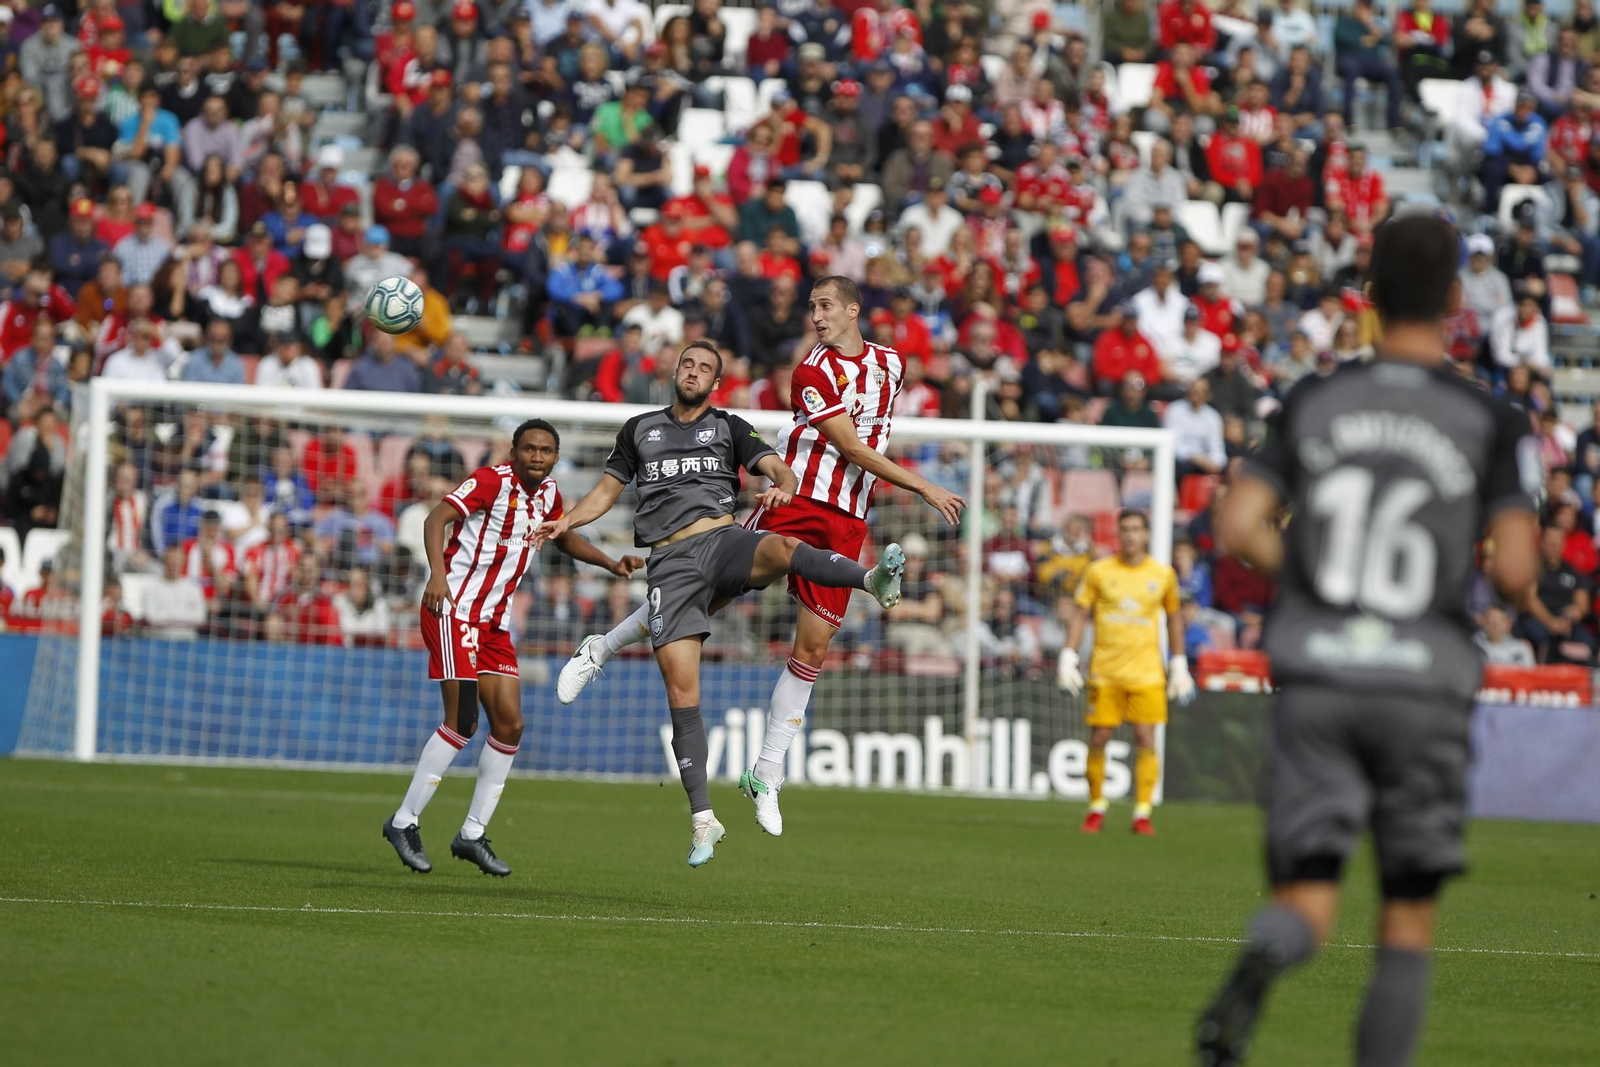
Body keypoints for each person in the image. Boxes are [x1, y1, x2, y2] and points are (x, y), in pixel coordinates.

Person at [1196, 215, 1540, 1067]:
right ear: (1459, 300)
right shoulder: (1490, 419)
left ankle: (1269, 950)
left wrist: (1315, 572)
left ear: (1371, 298)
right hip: (1423, 683)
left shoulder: (1317, 398)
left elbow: (1238, 522)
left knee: (1307, 899)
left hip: (1318, 675)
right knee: (1406, 920)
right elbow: (1514, 575)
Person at [556, 278, 966, 838]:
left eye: (825, 306)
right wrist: (925, 487)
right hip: (794, 502)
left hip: (846, 516)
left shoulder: (891, 365)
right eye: (811, 307)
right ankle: (599, 648)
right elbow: (849, 447)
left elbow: (875, 436)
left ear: (852, 309)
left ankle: (766, 773)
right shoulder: (811, 372)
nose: (816, 317)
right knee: (704, 593)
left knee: (813, 648)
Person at [530, 341, 910, 866]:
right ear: (675, 371)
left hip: (725, 541)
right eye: (688, 363)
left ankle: (870, 578)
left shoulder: (729, 427)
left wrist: (781, 485)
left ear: (716, 384)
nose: (694, 372)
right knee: (684, 695)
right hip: (672, 565)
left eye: (705, 368)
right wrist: (566, 521)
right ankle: (703, 818)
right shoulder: (638, 429)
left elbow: (781, 469)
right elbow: (604, 493)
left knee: (784, 549)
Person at [382, 419, 644, 879]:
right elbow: (436, 517)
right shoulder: (489, 481)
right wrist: (437, 575)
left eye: (545, 450)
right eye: (529, 449)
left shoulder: (549, 496)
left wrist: (609, 563)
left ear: (556, 457)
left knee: (510, 724)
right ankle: (403, 822)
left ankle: (472, 833)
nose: (537, 457)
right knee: (462, 721)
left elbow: (564, 536)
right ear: (514, 451)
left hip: (494, 624)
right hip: (454, 609)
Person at [1056, 509, 1195, 836]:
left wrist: (1179, 663)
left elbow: (1174, 617)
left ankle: (1143, 812)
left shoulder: (1163, 575)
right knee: (1100, 737)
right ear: (1119, 534)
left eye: (1136, 529)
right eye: (1125, 529)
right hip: (1105, 672)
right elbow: (1080, 613)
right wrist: (1067, 656)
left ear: (1146, 534)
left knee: (1146, 738)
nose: (1131, 535)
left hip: (1147, 674)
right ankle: (1096, 807)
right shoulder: (1099, 571)